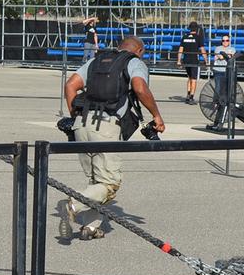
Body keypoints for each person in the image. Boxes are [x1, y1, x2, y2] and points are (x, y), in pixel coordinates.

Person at [62, 36, 165, 240]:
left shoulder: (96, 61)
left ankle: (90, 228)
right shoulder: (134, 62)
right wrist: (156, 115)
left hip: (81, 124)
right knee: (109, 184)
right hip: (107, 126)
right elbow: (139, 87)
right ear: (140, 51)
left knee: (95, 181)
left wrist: (75, 118)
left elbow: (70, 86)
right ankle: (74, 204)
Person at [209, 35, 236, 130]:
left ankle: (227, 103)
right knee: (218, 88)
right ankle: (216, 102)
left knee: (227, 88)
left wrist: (224, 56)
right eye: (223, 40)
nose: (225, 42)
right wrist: (225, 56)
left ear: (229, 41)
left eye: (227, 40)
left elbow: (230, 57)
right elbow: (218, 57)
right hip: (218, 70)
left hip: (227, 71)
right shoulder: (217, 48)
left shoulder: (232, 48)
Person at [176, 21, 208, 104]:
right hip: (194, 60)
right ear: (197, 29)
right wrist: (206, 60)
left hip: (186, 60)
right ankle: (191, 97)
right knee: (194, 79)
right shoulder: (198, 37)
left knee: (189, 77)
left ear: (190, 28)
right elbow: (202, 49)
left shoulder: (185, 36)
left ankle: (188, 94)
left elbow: (180, 49)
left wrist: (179, 60)